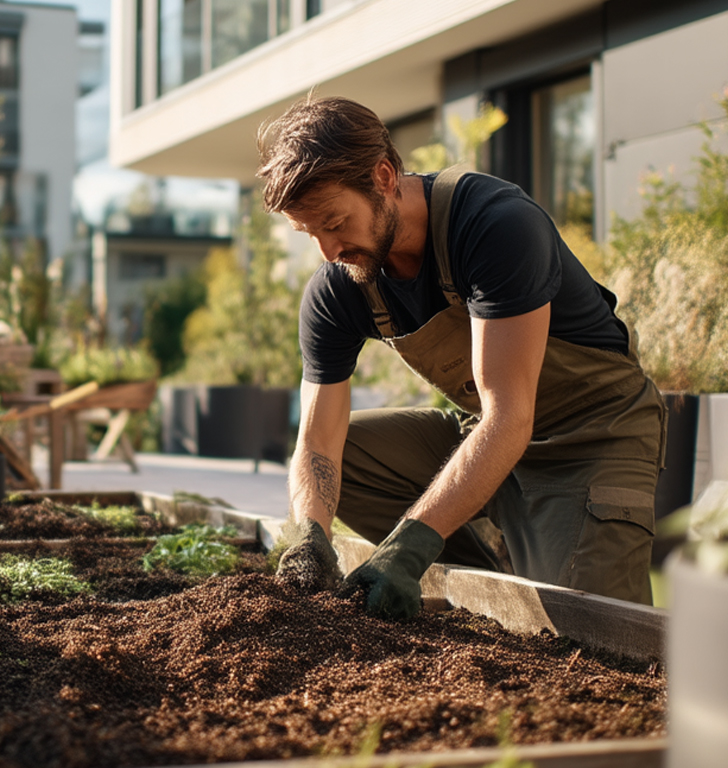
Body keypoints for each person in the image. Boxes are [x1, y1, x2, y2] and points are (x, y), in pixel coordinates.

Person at [257, 96, 666, 618]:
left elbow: (510, 417)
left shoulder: (495, 226)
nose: (329, 250)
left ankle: (464, 561)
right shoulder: (341, 284)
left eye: (335, 222)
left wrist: (407, 549)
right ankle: (483, 588)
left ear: (384, 177)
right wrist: (309, 536)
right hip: (489, 433)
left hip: (592, 435)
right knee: (348, 453)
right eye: (310, 232)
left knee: (587, 629)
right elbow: (316, 439)